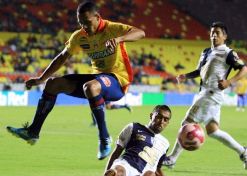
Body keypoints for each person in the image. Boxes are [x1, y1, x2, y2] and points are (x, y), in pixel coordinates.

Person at [6, 1, 145, 160]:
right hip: (98, 79)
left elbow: (140, 32)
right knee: (53, 84)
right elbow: (62, 57)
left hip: (118, 80)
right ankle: (33, 132)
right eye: (81, 23)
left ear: (97, 17)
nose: (84, 26)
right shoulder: (79, 36)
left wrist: (119, 39)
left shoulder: (112, 28)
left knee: (90, 87)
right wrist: (41, 79)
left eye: (87, 22)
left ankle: (104, 138)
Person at [163, 21, 247, 170]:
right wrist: (185, 76)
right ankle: (243, 151)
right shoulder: (206, 52)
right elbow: (199, 71)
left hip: (210, 94)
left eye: (218, 33)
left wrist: (229, 82)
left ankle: (172, 158)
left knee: (186, 124)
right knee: (213, 131)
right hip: (206, 94)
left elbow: (244, 70)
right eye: (212, 32)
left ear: (224, 36)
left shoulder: (227, 52)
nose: (214, 35)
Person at [93, 105, 190, 176]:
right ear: (151, 116)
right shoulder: (133, 127)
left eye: (165, 119)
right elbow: (116, 153)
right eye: (158, 117)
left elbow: (157, 170)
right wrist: (105, 175)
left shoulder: (165, 144)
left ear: (168, 123)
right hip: (125, 166)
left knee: (151, 174)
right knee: (111, 174)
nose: (161, 121)